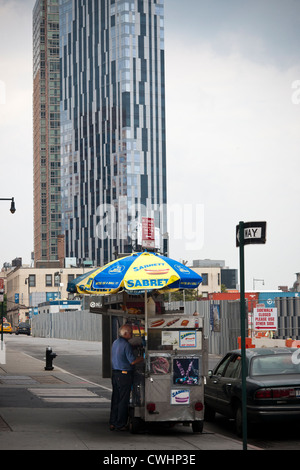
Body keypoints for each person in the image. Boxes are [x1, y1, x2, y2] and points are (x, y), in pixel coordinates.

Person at [109, 324, 143, 431]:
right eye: (130, 333)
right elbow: (132, 361)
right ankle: (121, 424)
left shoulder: (115, 342)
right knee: (123, 400)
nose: (132, 335)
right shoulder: (126, 345)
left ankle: (113, 422)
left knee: (116, 399)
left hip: (115, 374)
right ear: (125, 333)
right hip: (124, 375)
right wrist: (142, 358)